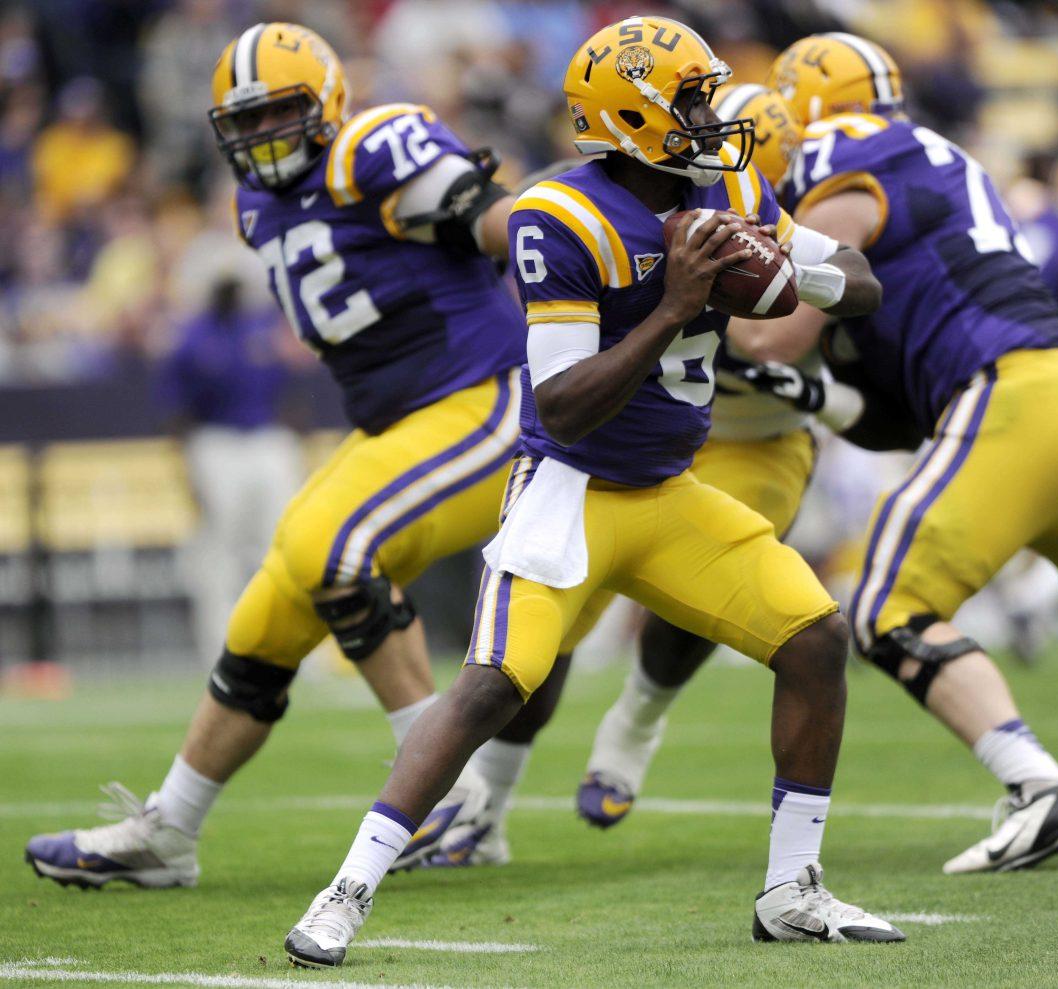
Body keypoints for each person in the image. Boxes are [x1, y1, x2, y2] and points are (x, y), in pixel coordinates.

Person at [283, 16, 902, 969]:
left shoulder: (726, 184)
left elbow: (859, 282)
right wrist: (676, 304)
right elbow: (564, 404)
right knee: (494, 685)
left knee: (815, 638)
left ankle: (792, 888)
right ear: (636, 116)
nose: (712, 115)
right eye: (691, 100)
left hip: (667, 491)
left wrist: (794, 270)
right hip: (570, 487)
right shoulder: (557, 217)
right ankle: (346, 891)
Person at [24, 21, 560, 889]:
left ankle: (443, 790)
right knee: (268, 605)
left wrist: (561, 228)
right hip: (398, 426)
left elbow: (501, 225)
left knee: (330, 549)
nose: (261, 136)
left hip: (485, 398)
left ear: (328, 105)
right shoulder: (254, 205)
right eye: (244, 122)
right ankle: (170, 830)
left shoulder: (376, 150)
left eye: (279, 113)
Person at [743, 32, 1058, 873]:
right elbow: (895, 412)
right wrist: (814, 390)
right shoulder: (941, 157)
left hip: (1014, 400)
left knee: (886, 608)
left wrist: (693, 318)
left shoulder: (837, 157)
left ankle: (1036, 787)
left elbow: (773, 337)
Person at [158, 275, 304, 665]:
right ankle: (222, 650)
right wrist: (186, 465)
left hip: (266, 437)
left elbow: (288, 387)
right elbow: (176, 410)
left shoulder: (261, 325)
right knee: (220, 549)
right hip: (215, 442)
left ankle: (295, 648)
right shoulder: (191, 336)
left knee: (285, 543)